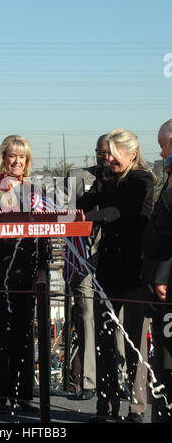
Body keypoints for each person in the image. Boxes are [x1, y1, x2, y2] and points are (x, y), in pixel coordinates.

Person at [77, 129, 156, 422]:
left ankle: (136, 408)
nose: (107, 158)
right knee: (103, 339)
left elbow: (118, 212)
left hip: (135, 272)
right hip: (108, 272)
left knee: (136, 343)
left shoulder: (143, 180)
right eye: (106, 153)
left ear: (131, 153)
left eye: (112, 153)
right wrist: (65, 213)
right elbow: (88, 200)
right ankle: (105, 405)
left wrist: (87, 217)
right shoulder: (106, 178)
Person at [0, 135, 51, 414]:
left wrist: (42, 270)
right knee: (1, 334)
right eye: (11, 156)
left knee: (25, 334)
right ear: (3, 157)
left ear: (27, 161)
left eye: (22, 157)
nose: (16, 162)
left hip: (26, 273)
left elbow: (45, 234)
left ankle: (24, 395)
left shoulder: (36, 190)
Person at [63, 135, 109, 400]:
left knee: (114, 321)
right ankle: (89, 382)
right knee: (86, 317)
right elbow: (69, 213)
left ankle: (117, 379)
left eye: (108, 152)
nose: (103, 157)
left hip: (112, 260)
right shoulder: (77, 176)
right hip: (82, 259)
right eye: (99, 152)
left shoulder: (126, 179)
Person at [143, 119, 172, 422]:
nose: (162, 152)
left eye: (164, 146)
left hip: (167, 286)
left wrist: (162, 275)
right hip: (159, 282)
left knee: (166, 361)